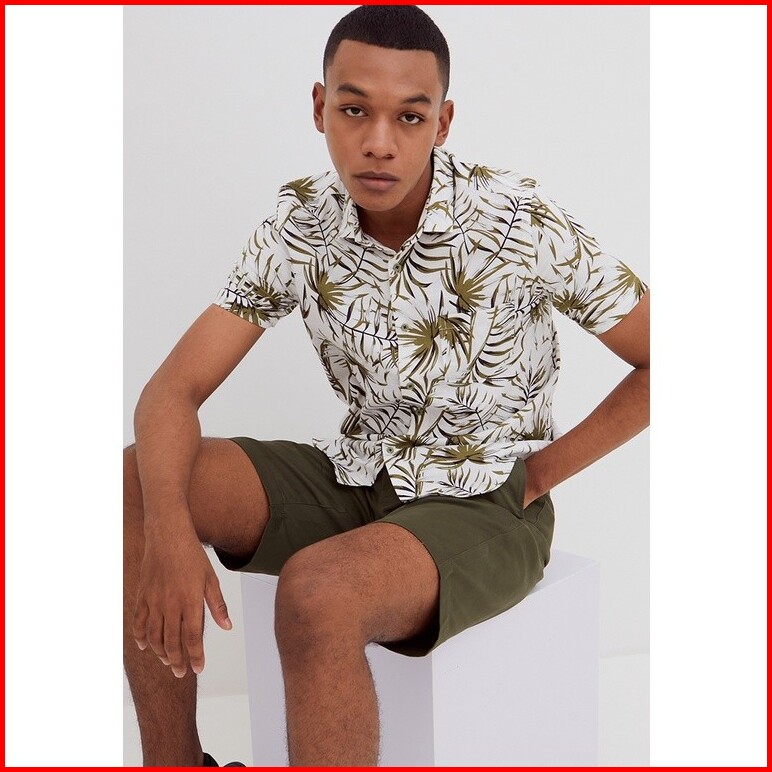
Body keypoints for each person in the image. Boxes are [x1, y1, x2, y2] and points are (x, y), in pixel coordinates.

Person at [124, 4, 649, 767]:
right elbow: (171, 390)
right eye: (354, 110)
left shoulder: (516, 222)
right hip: (363, 470)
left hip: (485, 498)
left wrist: (540, 473)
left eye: (409, 116)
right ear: (319, 107)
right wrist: (170, 529)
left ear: (442, 123)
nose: (379, 141)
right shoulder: (302, 223)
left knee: (317, 593)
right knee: (140, 481)